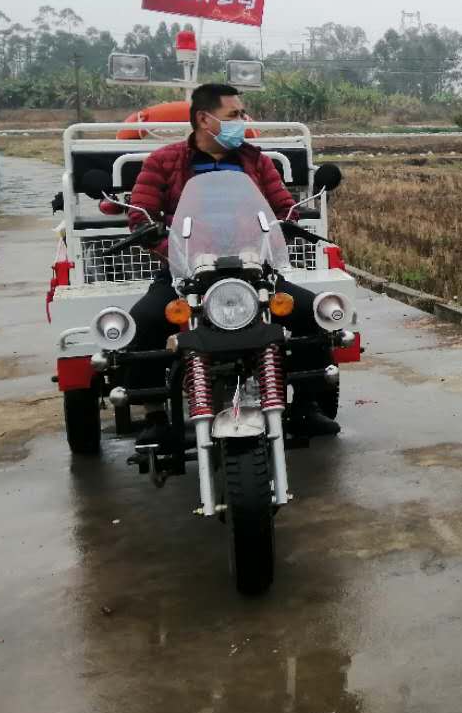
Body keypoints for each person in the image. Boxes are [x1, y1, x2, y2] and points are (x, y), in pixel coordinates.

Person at [123, 82, 338, 446]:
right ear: (205, 120)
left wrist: (283, 226)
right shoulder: (163, 161)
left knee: (311, 314)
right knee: (142, 322)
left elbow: (284, 208)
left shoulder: (257, 161)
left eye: (242, 113)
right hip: (186, 274)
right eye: (234, 115)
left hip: (253, 270)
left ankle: (306, 403)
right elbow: (140, 219)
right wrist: (174, 252)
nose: (243, 120)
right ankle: (155, 414)